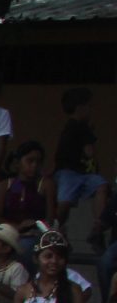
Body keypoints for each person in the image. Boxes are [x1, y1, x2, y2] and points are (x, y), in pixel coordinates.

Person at [54, 87, 105, 238]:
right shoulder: (82, 127)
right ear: (80, 108)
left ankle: (96, 226)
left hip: (80, 173)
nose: (91, 110)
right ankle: (56, 228)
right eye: (89, 106)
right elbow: (90, 152)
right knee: (65, 201)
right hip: (69, 172)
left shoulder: (69, 127)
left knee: (101, 186)